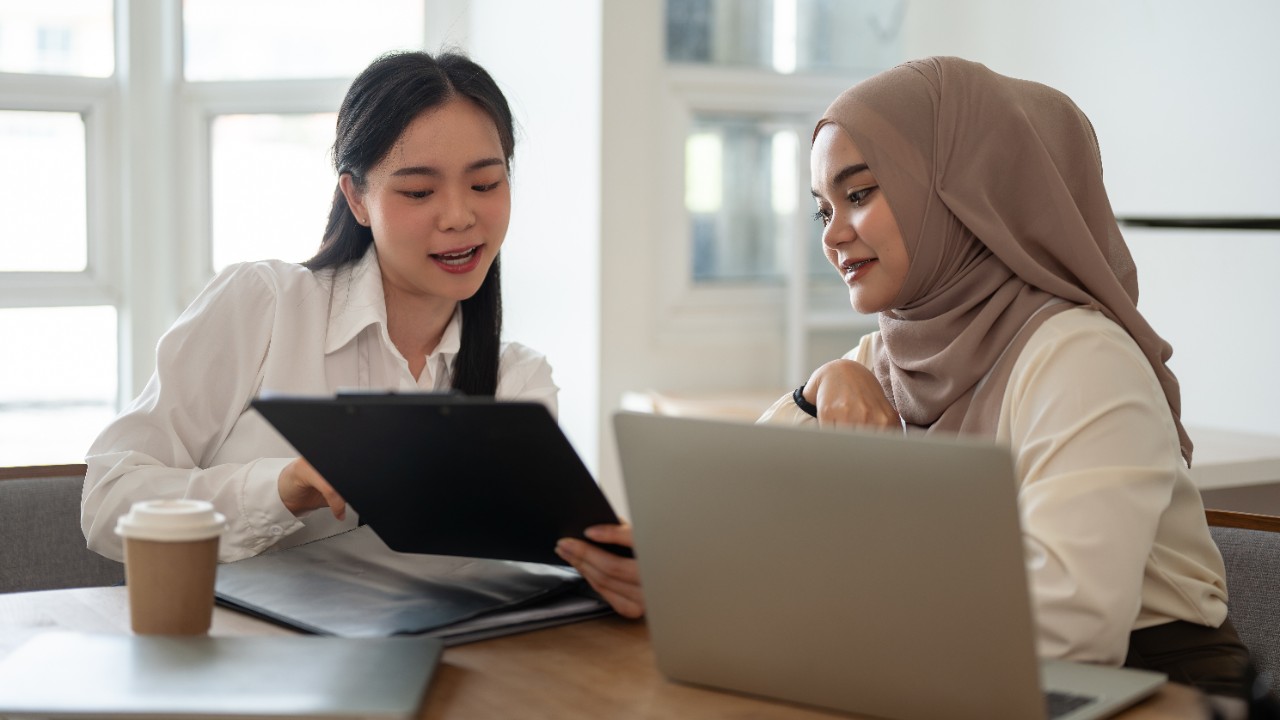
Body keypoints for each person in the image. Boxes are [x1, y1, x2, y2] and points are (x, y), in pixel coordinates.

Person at [564, 56, 1265, 703]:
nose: (833, 234)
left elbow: (1067, 626)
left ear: (964, 192)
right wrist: (816, 393)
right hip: (951, 679)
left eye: (861, 193)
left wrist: (805, 604)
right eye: (822, 208)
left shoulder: (1081, 358)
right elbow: (743, 525)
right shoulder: (886, 356)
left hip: (1153, 691)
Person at [82, 51, 558, 566]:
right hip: (240, 642)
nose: (460, 216)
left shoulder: (518, 385)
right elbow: (108, 500)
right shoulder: (265, 306)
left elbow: (518, 570)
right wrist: (282, 489)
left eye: (485, 184)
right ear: (356, 198)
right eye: (419, 191)